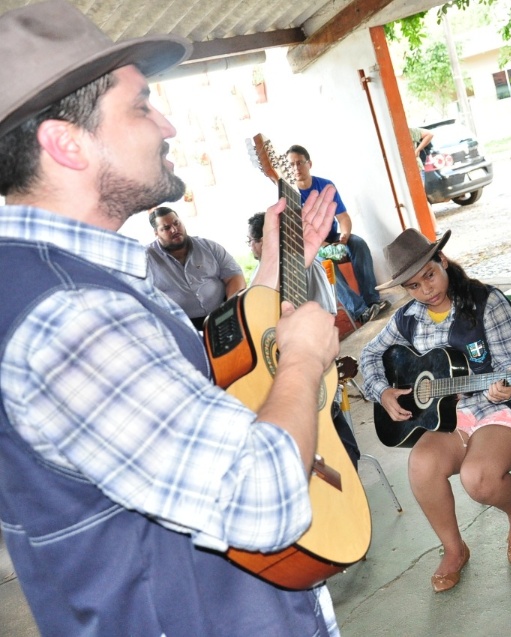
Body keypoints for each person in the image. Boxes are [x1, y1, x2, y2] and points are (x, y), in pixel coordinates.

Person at [0, 2, 343, 634]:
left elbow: (186, 403)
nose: (167, 125)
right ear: (65, 143)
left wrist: (275, 269)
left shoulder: (60, 281)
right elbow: (261, 497)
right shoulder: (71, 317)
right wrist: (302, 359)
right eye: (141, 105)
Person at [359, 228, 511, 592]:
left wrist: (501, 387)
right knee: (421, 465)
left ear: (443, 261)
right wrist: (382, 391)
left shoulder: (485, 302)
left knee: (477, 478)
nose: (425, 290)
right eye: (414, 286)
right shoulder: (408, 318)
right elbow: (368, 354)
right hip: (450, 414)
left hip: (503, 407)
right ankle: (454, 549)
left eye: (429, 276)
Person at [248, 212, 361, 467]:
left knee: (341, 457)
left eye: (251, 241)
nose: (251, 247)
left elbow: (325, 319)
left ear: (265, 241)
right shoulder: (260, 275)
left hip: (314, 373)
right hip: (283, 375)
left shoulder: (307, 267)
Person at [286, 144, 389, 325]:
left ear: (309, 163)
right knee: (326, 263)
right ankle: (361, 311)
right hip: (310, 245)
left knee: (359, 244)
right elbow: (298, 234)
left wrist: (345, 235)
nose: (296, 168)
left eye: (300, 163)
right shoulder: (290, 195)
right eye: (292, 165)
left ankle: (373, 301)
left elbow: (343, 217)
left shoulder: (326, 185)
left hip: (333, 236)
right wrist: (323, 247)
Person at [146, 206, 246, 331]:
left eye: (176, 223)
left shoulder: (209, 247)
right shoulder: (145, 259)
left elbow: (234, 276)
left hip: (223, 314)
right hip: (182, 327)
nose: (174, 229)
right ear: (156, 233)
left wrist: (231, 308)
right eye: (166, 228)